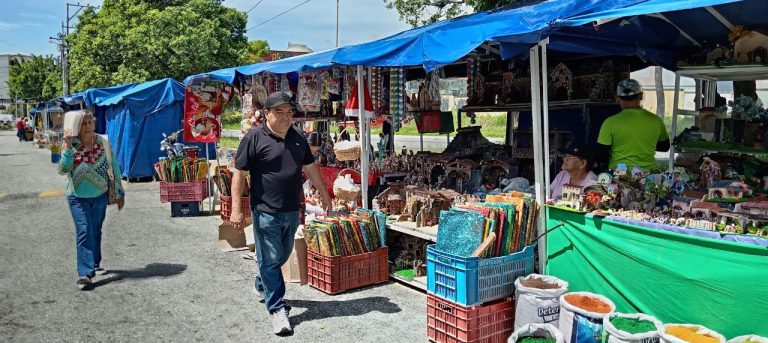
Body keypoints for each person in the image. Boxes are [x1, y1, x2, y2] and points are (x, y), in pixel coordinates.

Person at [229, 92, 332, 336]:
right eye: (279, 112)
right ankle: (277, 309)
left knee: (280, 255)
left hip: (291, 209)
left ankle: (261, 283)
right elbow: (239, 174)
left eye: (289, 112)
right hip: (265, 210)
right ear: (267, 114)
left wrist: (325, 193)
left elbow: (310, 167)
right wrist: (236, 209)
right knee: (270, 256)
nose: (286, 117)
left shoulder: (298, 138)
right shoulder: (254, 138)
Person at [58, 110, 125, 290]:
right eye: (84, 123)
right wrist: (67, 147)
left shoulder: (103, 142)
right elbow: (63, 169)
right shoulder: (70, 143)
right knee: (84, 230)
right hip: (76, 196)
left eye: (90, 123)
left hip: (100, 194)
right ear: (76, 126)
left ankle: (94, 262)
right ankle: (85, 273)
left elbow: (114, 166)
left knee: (95, 229)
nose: (88, 127)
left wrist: (119, 192)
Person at [597, 79, 670, 172]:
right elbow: (665, 147)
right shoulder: (656, 120)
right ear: (641, 96)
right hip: (649, 174)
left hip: (620, 173)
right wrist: (644, 145)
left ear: (617, 98)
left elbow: (601, 154)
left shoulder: (610, 122)